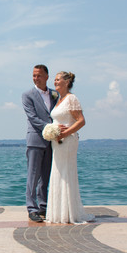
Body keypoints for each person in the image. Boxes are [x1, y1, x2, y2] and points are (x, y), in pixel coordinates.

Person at [44, 71, 95, 224]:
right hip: (57, 142)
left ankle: (68, 213)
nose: (55, 82)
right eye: (54, 79)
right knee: (58, 173)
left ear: (67, 82)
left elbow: (81, 121)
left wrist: (64, 133)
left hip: (67, 142)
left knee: (66, 173)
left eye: (58, 79)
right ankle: (59, 212)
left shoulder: (72, 99)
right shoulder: (59, 99)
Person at [22, 64, 59, 222]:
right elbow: (33, 117)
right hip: (36, 139)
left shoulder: (55, 94)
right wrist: (51, 128)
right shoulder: (27, 95)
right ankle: (32, 207)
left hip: (52, 142)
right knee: (33, 175)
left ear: (46, 77)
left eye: (39, 75)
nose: (35, 78)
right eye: (34, 75)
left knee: (45, 175)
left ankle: (43, 205)